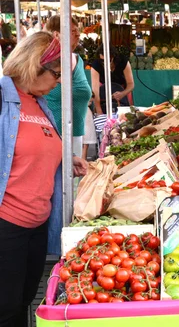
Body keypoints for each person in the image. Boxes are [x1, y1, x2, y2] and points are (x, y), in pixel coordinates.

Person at [0, 32, 88, 327]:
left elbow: (34, 148)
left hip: (38, 225)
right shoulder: (3, 100)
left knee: (24, 299)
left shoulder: (40, 105)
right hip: (6, 223)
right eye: (56, 73)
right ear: (34, 65)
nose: (60, 81)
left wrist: (64, 159)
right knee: (6, 306)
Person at [44, 15, 92, 159]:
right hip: (53, 133)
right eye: (72, 31)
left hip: (75, 131)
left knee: (73, 178)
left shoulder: (77, 59)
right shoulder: (48, 61)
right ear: (56, 34)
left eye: (78, 30)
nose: (78, 34)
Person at [90, 44, 135, 115]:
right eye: (102, 60)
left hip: (122, 88)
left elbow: (131, 84)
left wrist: (122, 94)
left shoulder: (123, 61)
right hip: (103, 89)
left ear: (113, 56)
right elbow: (95, 92)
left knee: (127, 114)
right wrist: (99, 111)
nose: (105, 62)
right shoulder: (96, 65)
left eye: (108, 60)